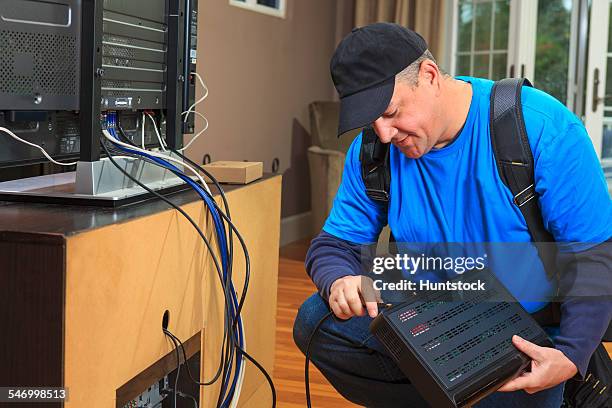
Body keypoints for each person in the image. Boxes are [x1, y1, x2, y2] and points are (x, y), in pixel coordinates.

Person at [293, 23, 612, 408]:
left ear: (428, 76)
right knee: (316, 320)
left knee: (519, 389)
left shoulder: (542, 128)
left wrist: (570, 356)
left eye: (391, 112)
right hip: (431, 317)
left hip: (526, 333)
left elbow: (594, 256)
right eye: (369, 120)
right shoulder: (373, 151)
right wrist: (340, 278)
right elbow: (334, 243)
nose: (383, 132)